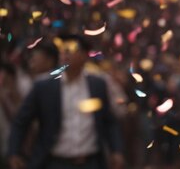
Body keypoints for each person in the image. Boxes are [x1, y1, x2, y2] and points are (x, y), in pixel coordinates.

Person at [7, 33, 124, 169]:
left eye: (72, 49)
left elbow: (109, 121)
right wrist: (13, 152)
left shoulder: (97, 85)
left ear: (85, 56)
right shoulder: (44, 86)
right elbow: (21, 121)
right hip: (55, 162)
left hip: (90, 162)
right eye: (63, 49)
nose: (65, 53)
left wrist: (116, 150)